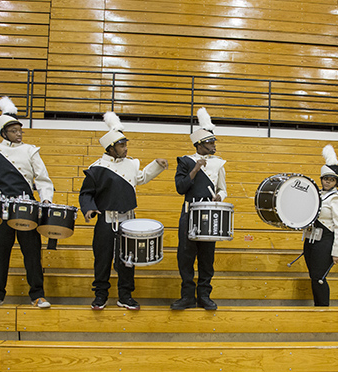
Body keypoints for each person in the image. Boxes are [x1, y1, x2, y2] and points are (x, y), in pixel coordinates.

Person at [79, 111, 168, 310]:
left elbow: (140, 178)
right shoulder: (96, 168)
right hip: (106, 221)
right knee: (102, 259)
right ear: (110, 148)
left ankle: (125, 295)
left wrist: (156, 165)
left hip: (128, 221)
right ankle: (100, 295)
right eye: (122, 145)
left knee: (128, 260)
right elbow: (86, 194)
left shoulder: (131, 164)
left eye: (126, 144)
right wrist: (89, 209)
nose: (126, 148)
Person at [0, 97, 54, 309]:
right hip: (1, 210)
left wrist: (46, 199)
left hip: (27, 209)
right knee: (0, 251)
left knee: (32, 253)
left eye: (20, 130)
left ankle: (38, 295)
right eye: (14, 131)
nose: (19, 134)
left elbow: (43, 179)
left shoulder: (31, 151)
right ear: (3, 133)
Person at [171, 108, 227, 310]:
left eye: (214, 142)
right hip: (189, 213)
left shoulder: (219, 163)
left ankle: (204, 295)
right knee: (185, 256)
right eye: (210, 142)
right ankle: (187, 296)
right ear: (199, 144)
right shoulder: (185, 161)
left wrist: (221, 196)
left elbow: (223, 188)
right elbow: (180, 188)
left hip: (210, 214)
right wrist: (195, 170)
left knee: (206, 257)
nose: (214, 145)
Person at [302, 145, 338, 307]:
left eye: (332, 179)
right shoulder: (316, 194)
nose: (328, 182)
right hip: (311, 241)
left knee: (319, 277)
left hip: (325, 242)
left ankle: (323, 309)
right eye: (325, 178)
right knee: (313, 276)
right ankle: (318, 308)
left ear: (337, 181)